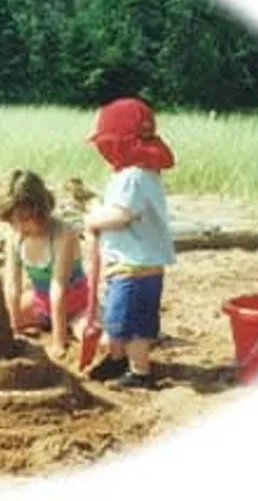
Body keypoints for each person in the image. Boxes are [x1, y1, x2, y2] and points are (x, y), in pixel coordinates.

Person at [84, 95, 176, 390]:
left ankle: (139, 372)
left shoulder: (133, 176)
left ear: (118, 143)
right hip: (132, 264)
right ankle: (117, 359)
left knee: (130, 324)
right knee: (120, 319)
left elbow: (122, 215)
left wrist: (94, 219)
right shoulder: (138, 172)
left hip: (134, 267)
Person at [0, 169, 90, 359]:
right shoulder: (15, 236)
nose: (19, 228)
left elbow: (58, 287)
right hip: (40, 304)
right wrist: (15, 328)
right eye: (12, 223)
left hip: (75, 306)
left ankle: (70, 328)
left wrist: (59, 340)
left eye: (24, 220)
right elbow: (12, 284)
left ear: (40, 210)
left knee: (91, 335)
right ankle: (41, 323)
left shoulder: (64, 234)